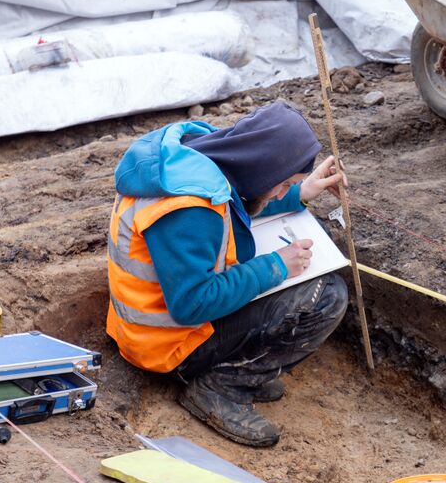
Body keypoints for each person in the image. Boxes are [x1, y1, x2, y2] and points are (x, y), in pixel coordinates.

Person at [106, 101, 349, 447]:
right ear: (260, 170)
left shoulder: (194, 160)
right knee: (326, 296)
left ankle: (238, 370)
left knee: (305, 287)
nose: (281, 192)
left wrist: (301, 192)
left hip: (148, 325)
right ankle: (220, 387)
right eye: (282, 185)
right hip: (166, 345)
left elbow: (242, 198)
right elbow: (191, 304)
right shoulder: (190, 209)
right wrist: (276, 266)